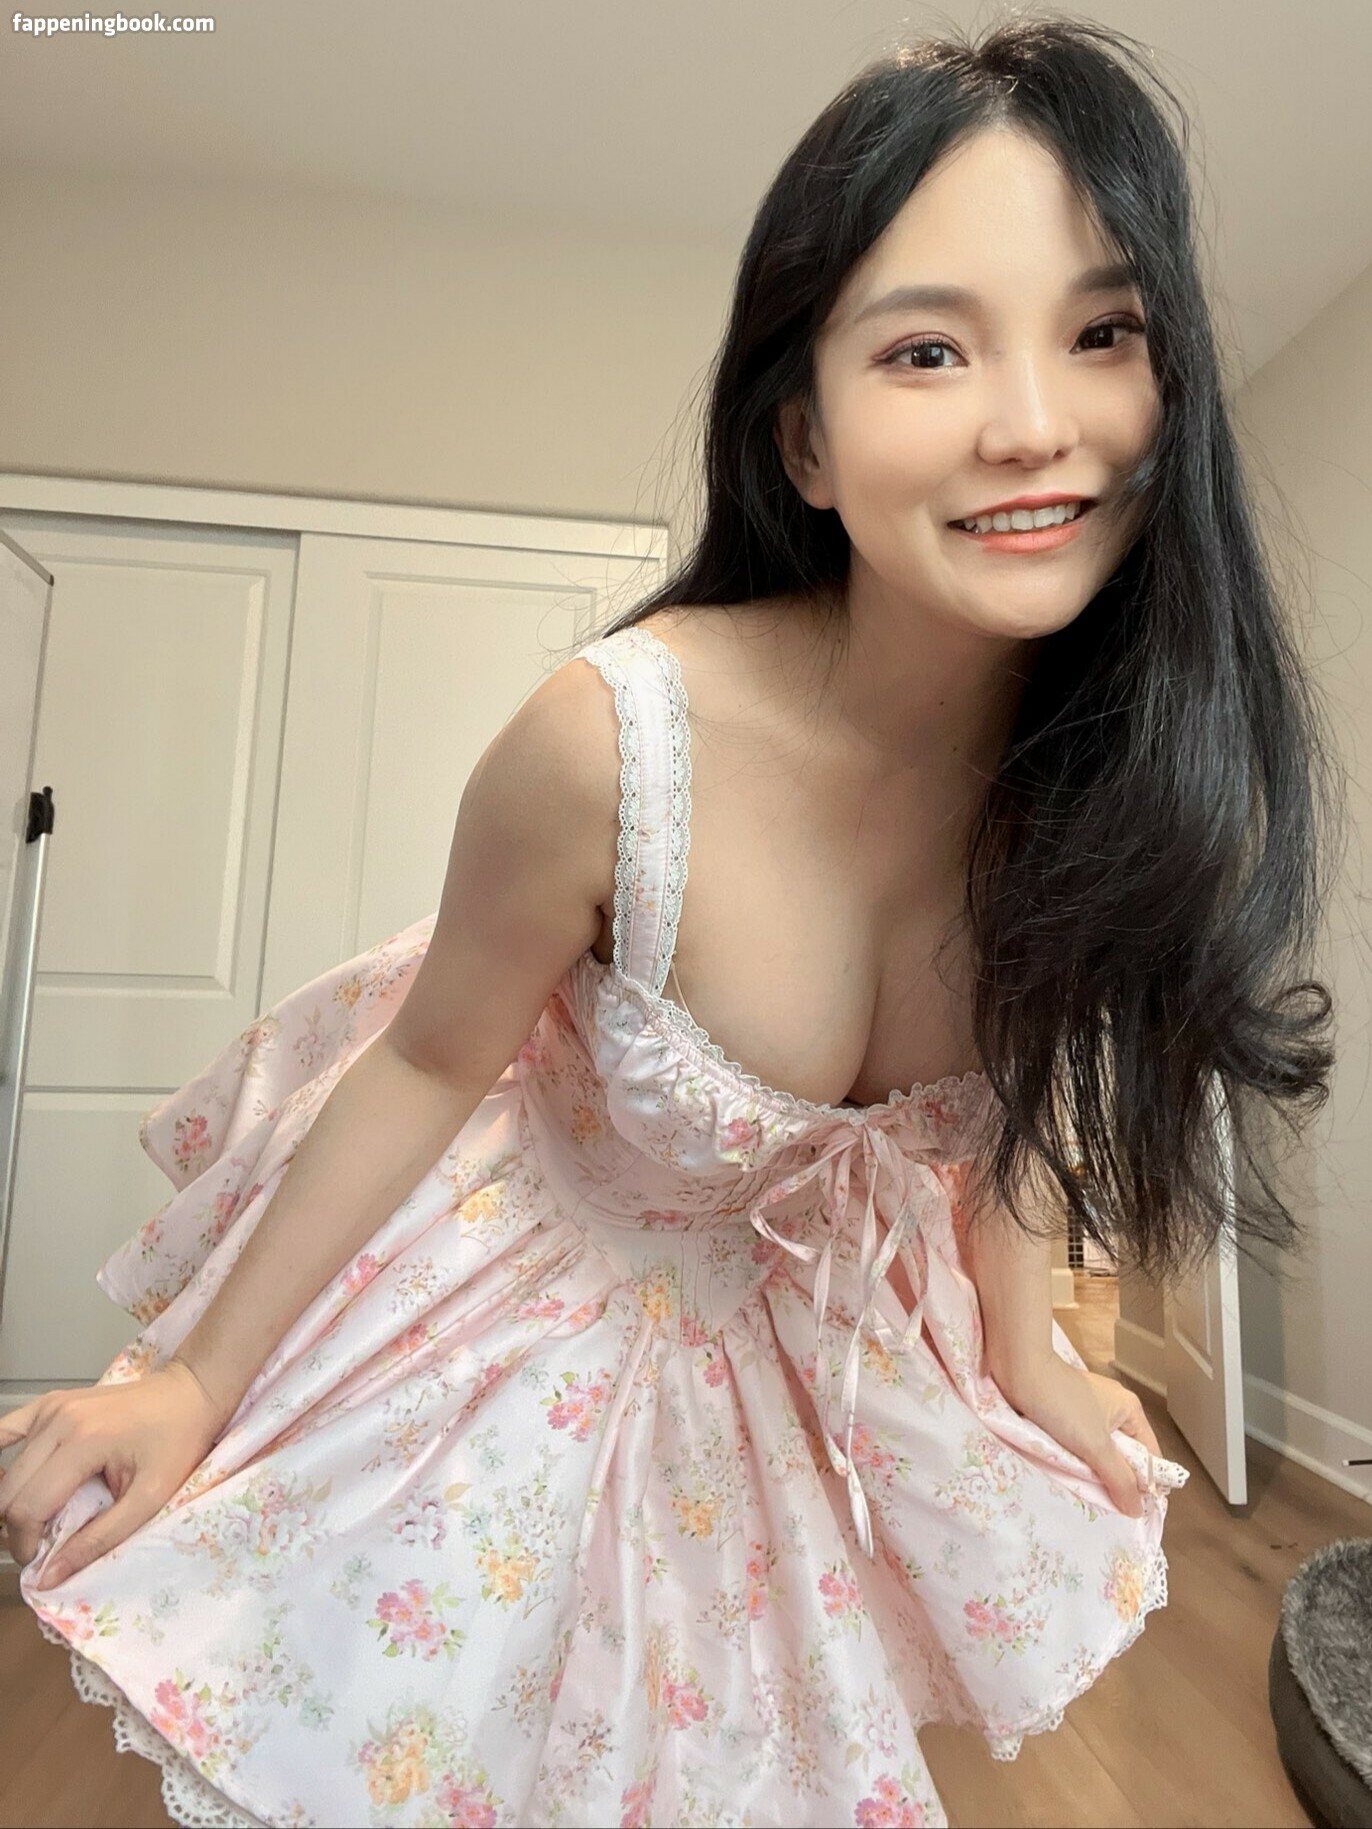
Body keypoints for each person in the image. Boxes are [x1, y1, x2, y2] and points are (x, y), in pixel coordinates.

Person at [0, 16, 1338, 1829]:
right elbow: (426, 1062)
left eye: (1105, 332)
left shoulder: (1110, 780)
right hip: (525, 1340)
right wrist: (185, 1382)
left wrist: (1026, 1338)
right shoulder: (613, 748)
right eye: (928, 348)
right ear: (804, 439)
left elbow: (1017, 1086)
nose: (1038, 424)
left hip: (808, 1378)